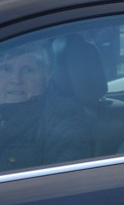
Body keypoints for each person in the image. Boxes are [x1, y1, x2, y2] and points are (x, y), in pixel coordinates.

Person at [0, 41, 92, 172]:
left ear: (48, 77)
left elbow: (59, 182)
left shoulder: (65, 117)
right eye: (6, 69)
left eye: (28, 70)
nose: (16, 79)